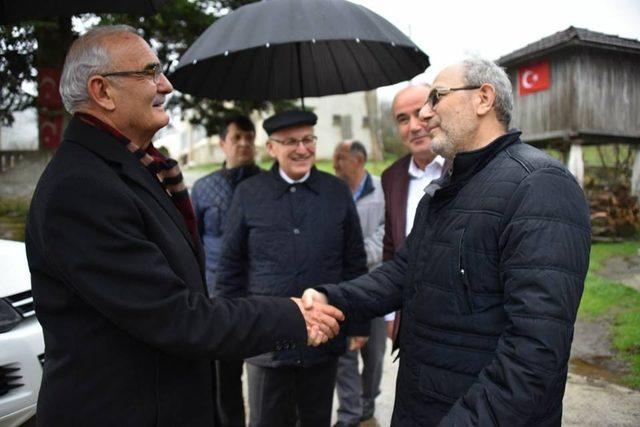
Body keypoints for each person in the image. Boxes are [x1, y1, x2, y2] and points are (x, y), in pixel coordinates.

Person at [25, 25, 344, 427]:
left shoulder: (137, 168)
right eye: (149, 72)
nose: (167, 84)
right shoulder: (82, 188)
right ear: (102, 91)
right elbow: (175, 317)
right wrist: (290, 316)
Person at [303, 58, 591, 426]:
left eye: (435, 97)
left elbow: (534, 351)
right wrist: (333, 298)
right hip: (422, 405)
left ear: (484, 98)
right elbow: (403, 273)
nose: (424, 113)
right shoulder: (445, 189)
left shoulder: (540, 185)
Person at [217, 110, 368, 427]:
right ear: (271, 148)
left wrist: (358, 322)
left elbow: (354, 260)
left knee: (315, 420)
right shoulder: (248, 193)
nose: (302, 149)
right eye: (290, 142)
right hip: (265, 340)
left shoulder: (336, 191)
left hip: (323, 335)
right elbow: (231, 267)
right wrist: (230, 325)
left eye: (308, 140)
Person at [191, 115, 260, 427]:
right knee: (224, 378)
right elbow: (193, 245)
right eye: (237, 138)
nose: (244, 143)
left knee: (268, 376)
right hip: (219, 298)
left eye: (249, 136)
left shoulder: (269, 184)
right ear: (222, 144)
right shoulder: (203, 189)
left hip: (262, 295)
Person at [382, 84, 447, 343]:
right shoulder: (392, 177)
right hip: (410, 317)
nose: (414, 125)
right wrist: (390, 315)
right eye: (402, 119)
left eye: (421, 112)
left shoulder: (467, 166)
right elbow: (390, 248)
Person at [332, 140, 386, 426]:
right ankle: (350, 412)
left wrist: (352, 254)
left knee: (374, 351)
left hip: (374, 285)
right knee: (345, 353)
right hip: (342, 287)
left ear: (359, 160)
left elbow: (385, 233)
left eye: (341, 158)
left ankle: (368, 399)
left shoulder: (382, 189)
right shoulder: (332, 192)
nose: (335, 164)